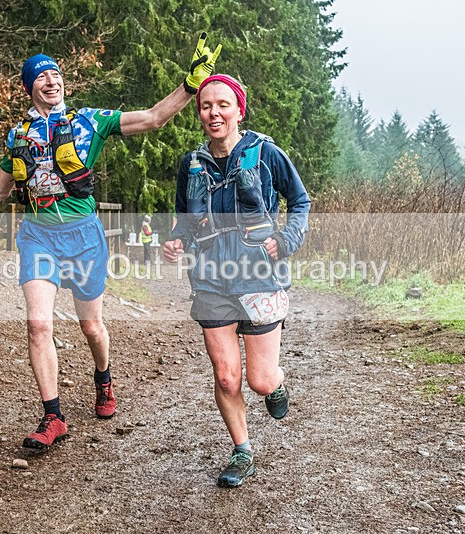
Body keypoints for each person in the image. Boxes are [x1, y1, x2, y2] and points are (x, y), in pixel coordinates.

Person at [0, 34, 222, 450]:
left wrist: (190, 85)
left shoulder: (89, 121)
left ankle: (104, 379)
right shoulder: (17, 135)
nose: (51, 81)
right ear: (30, 87)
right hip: (38, 236)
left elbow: (151, 118)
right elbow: (0, 190)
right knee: (39, 324)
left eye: (56, 74)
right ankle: (53, 416)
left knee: (90, 325)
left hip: (83, 236)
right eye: (41, 76)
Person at [163, 74, 310, 487]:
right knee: (226, 376)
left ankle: (276, 385)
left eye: (223, 104)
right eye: (206, 105)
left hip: (261, 275)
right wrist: (177, 240)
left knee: (259, 379)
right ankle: (242, 450)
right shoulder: (191, 163)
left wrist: (287, 238)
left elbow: (300, 201)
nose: (214, 112)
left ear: (239, 110)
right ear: (200, 114)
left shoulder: (265, 153)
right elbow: (186, 220)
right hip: (210, 279)